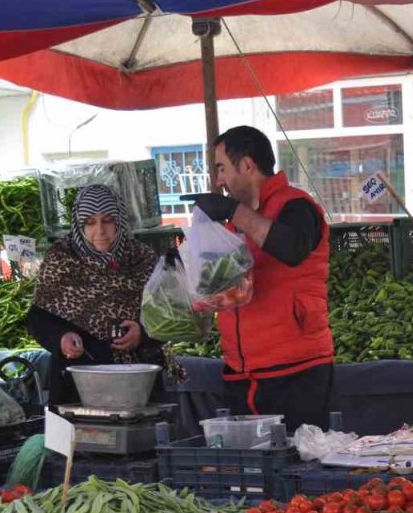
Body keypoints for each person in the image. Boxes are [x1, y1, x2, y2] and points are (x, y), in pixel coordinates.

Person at [183, 126, 334, 431]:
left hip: (297, 371)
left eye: (222, 168)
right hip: (242, 372)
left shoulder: (296, 205)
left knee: (298, 465)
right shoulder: (232, 225)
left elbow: (292, 248)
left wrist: (231, 210)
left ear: (248, 165)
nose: (219, 180)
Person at [28, 185, 176, 405]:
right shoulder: (62, 259)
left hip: (137, 383)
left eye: (107, 220)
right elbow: (38, 317)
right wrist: (61, 339)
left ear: (119, 221)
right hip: (78, 385)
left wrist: (143, 333)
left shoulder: (142, 258)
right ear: (79, 224)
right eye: (89, 222)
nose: (100, 231)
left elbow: (169, 314)